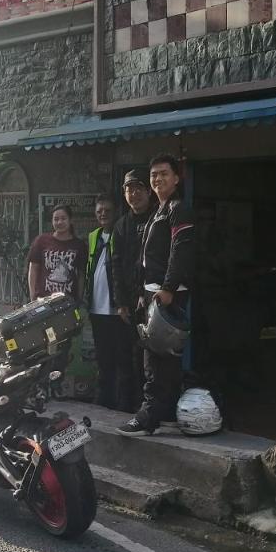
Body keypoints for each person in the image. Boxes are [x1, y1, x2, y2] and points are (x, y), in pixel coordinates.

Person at [121, 154, 194, 435]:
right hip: (152, 294)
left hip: (167, 295)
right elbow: (147, 258)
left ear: (176, 178)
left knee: (155, 359)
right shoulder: (157, 211)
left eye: (164, 174)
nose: (157, 179)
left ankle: (148, 415)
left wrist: (167, 289)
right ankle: (165, 412)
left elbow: (181, 249)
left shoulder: (178, 209)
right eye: (154, 175)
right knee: (163, 359)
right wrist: (144, 291)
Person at [110, 170, 154, 412]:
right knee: (128, 356)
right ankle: (130, 407)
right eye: (129, 189)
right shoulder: (122, 225)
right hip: (129, 304)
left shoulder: (157, 218)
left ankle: (151, 406)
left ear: (148, 191)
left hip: (152, 299)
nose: (133, 193)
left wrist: (144, 293)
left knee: (152, 358)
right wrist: (121, 302)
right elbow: (115, 265)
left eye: (138, 188)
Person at [84, 194, 130, 410]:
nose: (103, 214)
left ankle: (125, 402)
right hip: (96, 308)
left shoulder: (123, 233)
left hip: (117, 309)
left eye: (107, 211)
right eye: (99, 211)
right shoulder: (94, 236)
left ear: (116, 213)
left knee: (122, 356)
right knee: (103, 357)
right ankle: (105, 399)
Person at [27, 204, 87, 300]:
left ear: (70, 220)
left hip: (68, 302)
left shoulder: (79, 245)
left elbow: (81, 275)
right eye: (56, 219)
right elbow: (33, 268)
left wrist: (79, 300)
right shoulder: (41, 241)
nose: (59, 222)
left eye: (63, 218)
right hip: (43, 301)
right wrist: (32, 296)